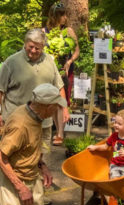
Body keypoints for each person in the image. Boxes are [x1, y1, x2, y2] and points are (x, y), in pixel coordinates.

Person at [0, 83, 67, 205]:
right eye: (56, 107)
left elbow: (29, 147)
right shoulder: (20, 125)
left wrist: (42, 165)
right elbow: (0, 158)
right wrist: (20, 188)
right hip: (12, 181)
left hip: (31, 176)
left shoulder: (36, 115)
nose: (57, 110)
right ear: (48, 107)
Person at [0, 28, 69, 150]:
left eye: (37, 48)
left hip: (43, 124)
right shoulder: (11, 62)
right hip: (17, 124)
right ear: (25, 43)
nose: (33, 51)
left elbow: (59, 87)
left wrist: (64, 108)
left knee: (43, 159)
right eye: (31, 46)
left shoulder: (49, 61)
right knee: (13, 159)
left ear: (43, 47)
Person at [43, 2, 80, 145]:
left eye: (65, 14)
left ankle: (60, 133)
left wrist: (70, 61)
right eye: (62, 15)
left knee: (62, 102)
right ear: (55, 16)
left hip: (65, 70)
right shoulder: (44, 32)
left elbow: (76, 51)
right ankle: (57, 129)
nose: (65, 17)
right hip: (50, 70)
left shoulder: (69, 31)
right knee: (53, 101)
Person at [87, 110, 124, 179]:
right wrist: (95, 147)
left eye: (119, 124)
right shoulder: (114, 136)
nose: (116, 125)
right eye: (115, 122)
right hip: (115, 164)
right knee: (114, 180)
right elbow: (105, 147)